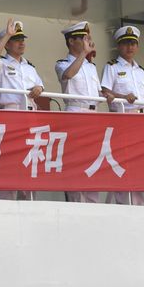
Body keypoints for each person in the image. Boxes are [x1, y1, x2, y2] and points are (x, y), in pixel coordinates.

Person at [0, 18, 44, 201]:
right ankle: (7, 201)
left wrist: (39, 89)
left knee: (30, 159)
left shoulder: (30, 67)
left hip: (30, 114)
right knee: (11, 160)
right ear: (7, 44)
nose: (21, 43)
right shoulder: (2, 64)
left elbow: (39, 85)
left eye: (22, 39)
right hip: (11, 113)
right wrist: (7, 35)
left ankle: (29, 200)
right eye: (16, 40)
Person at [100, 25, 144, 206]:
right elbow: (105, 91)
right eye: (126, 43)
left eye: (133, 43)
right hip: (123, 118)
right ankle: (122, 202)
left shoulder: (141, 71)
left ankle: (138, 201)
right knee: (122, 162)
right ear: (119, 46)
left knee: (139, 162)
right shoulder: (112, 67)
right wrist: (124, 97)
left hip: (141, 119)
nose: (130, 47)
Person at [55, 21, 102, 203]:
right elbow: (68, 75)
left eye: (87, 38)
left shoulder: (91, 67)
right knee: (76, 160)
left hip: (94, 114)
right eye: (83, 38)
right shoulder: (62, 63)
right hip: (75, 112)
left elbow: (98, 92)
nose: (87, 41)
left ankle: (92, 202)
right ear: (71, 41)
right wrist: (84, 54)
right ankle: (75, 202)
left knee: (93, 159)